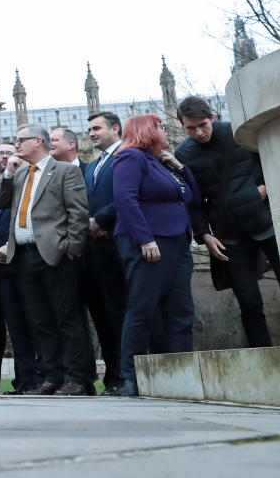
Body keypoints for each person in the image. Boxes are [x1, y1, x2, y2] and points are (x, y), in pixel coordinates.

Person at [175, 96, 280, 348]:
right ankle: (265, 357)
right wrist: (204, 235)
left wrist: (265, 188)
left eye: (202, 124)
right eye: (190, 128)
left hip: (267, 225)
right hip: (230, 235)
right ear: (182, 126)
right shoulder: (183, 153)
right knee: (249, 303)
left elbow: (271, 161)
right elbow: (193, 201)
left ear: (212, 117)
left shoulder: (240, 133)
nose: (198, 132)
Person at [0, 124, 90, 396]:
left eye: (20, 140)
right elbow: (1, 202)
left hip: (55, 255)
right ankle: (53, 376)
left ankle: (75, 379)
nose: (16, 146)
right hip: (24, 256)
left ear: (38, 141)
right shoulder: (20, 174)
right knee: (40, 320)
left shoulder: (65, 171)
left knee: (66, 319)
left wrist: (70, 249)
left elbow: (78, 213)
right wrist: (9, 173)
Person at [112, 114, 201, 397]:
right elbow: (126, 199)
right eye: (159, 126)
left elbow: (191, 197)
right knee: (142, 309)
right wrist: (145, 239)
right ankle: (129, 378)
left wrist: (179, 166)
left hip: (177, 242)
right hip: (150, 243)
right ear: (146, 131)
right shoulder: (131, 158)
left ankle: (180, 374)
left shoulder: (159, 162)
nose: (164, 130)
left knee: (181, 310)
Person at [0, 143, 39, 395]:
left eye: (8, 152)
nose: (4, 157)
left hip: (19, 268)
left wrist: (8, 245)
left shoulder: (28, 189)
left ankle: (26, 381)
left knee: (21, 327)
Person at [82, 111, 127, 395]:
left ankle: (127, 375)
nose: (92, 133)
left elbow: (125, 195)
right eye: (90, 130)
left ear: (116, 128)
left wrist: (100, 219)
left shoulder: (127, 154)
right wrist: (89, 221)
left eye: (97, 128)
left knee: (121, 314)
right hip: (95, 250)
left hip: (118, 244)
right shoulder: (92, 166)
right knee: (103, 318)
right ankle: (113, 377)